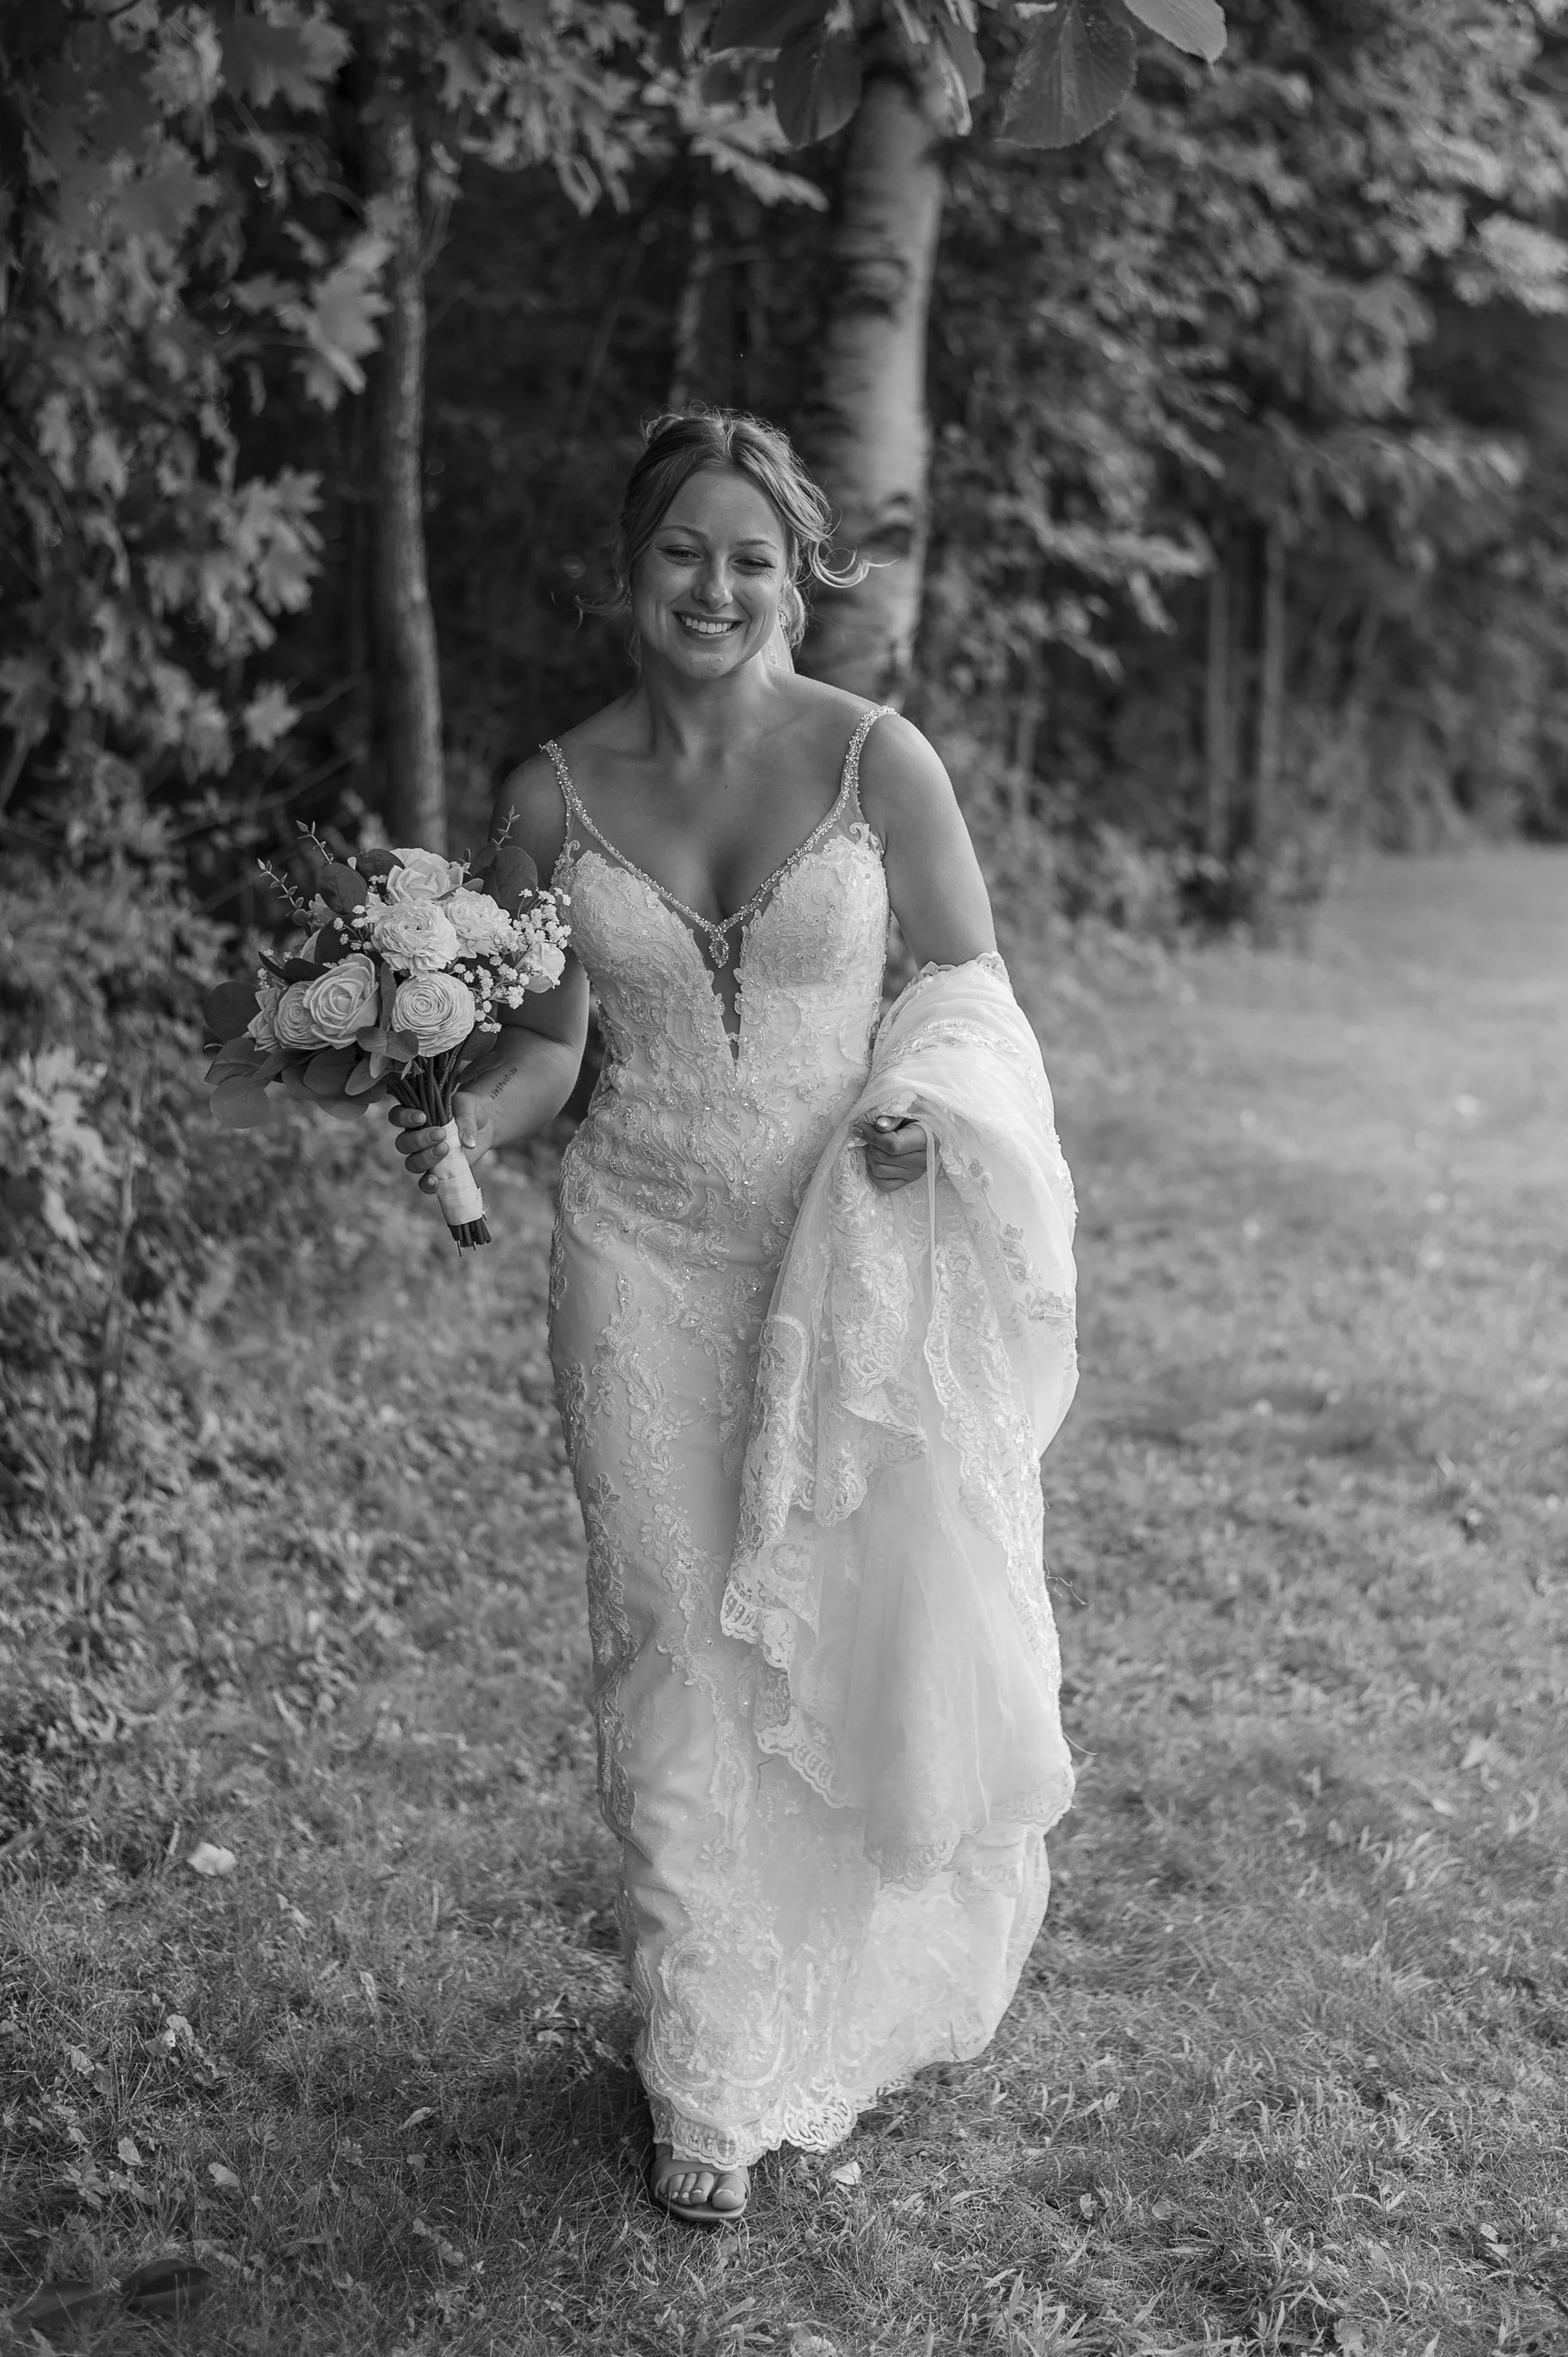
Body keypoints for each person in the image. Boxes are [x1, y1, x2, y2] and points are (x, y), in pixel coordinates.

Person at [390, 408, 1078, 2226]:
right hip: (634, 1252)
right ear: (631, 569)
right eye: (682, 551)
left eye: (750, 558)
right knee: (670, 1642)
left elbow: (969, 980)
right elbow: (550, 1048)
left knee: (818, 1625)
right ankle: (702, 2065)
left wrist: (925, 1104)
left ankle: (834, 1986)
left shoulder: (876, 761)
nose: (714, 586)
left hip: (835, 1250)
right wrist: (466, 1118)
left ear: (799, 577)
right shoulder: (550, 796)